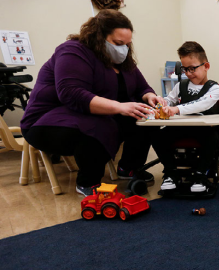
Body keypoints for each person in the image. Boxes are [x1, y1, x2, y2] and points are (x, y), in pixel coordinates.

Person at [20, 10, 165, 196]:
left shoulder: (122, 61)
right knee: (99, 124)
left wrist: (149, 96)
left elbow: (141, 87)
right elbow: (71, 94)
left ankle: (128, 168)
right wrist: (119, 107)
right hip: (44, 122)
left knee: (146, 117)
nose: (124, 49)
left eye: (127, 44)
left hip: (89, 115)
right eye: (119, 44)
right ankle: (88, 182)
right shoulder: (73, 51)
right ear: (99, 37)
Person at [151, 41, 219, 191]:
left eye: (192, 69)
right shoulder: (180, 86)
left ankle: (200, 174)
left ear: (206, 66)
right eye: (185, 69)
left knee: (213, 138)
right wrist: (163, 103)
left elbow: (202, 104)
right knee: (157, 136)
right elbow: (170, 99)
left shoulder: (214, 88)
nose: (188, 73)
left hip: (204, 130)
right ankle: (171, 173)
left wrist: (176, 109)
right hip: (181, 128)